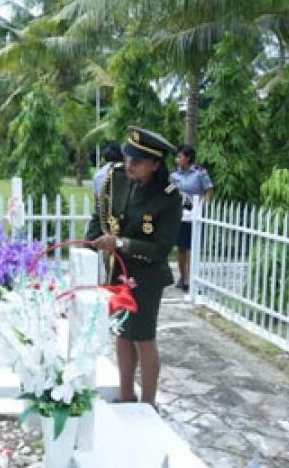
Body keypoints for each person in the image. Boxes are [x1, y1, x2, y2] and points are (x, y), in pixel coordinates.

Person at [85, 126, 182, 408]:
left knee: (143, 336)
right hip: (118, 271)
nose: (130, 165)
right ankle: (125, 395)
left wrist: (122, 244)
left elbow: (161, 248)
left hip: (146, 275)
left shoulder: (168, 196)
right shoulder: (116, 178)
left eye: (138, 161)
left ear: (155, 164)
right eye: (128, 158)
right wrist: (91, 241)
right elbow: (100, 213)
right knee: (122, 333)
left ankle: (148, 403)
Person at [171, 144, 213, 292]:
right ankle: (183, 277)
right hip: (180, 215)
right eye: (176, 157)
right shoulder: (174, 176)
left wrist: (203, 207)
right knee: (181, 248)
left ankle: (192, 277)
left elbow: (208, 190)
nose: (177, 160)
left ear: (188, 158)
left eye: (180, 156)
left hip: (195, 214)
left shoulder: (200, 173)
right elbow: (168, 192)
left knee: (192, 248)